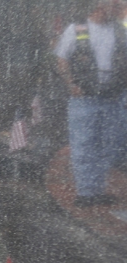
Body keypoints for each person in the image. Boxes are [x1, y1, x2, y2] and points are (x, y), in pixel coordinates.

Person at [55, 0, 127, 207]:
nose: (119, 8)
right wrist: (71, 84)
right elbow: (62, 58)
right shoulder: (77, 30)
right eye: (115, 4)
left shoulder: (120, 32)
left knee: (107, 145)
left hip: (112, 98)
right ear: (100, 4)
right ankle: (85, 193)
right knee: (84, 144)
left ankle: (98, 190)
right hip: (84, 98)